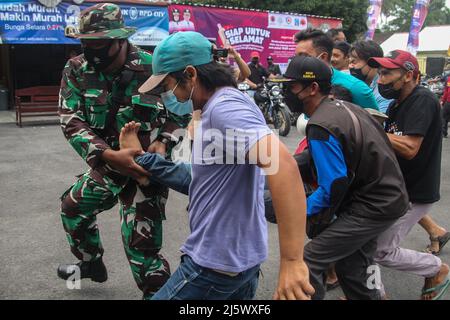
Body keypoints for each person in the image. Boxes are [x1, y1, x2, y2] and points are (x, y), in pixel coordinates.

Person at [136, 31, 314, 300]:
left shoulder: (224, 108)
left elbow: (283, 165)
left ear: (191, 74)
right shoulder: (224, 101)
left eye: (167, 85)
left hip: (213, 266)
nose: (167, 95)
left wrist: (291, 261)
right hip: (241, 261)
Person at [56, 3, 190, 299]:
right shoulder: (77, 68)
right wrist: (106, 155)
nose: (92, 52)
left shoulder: (152, 66)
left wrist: (163, 141)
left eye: (100, 45)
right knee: (72, 208)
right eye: (85, 44)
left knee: (142, 249)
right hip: (109, 163)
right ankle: (91, 263)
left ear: (120, 40)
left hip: (145, 169)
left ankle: (157, 294)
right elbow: (70, 118)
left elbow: (181, 111)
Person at [278, 55, 409, 300]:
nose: (287, 91)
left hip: (372, 207)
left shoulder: (321, 125)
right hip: (389, 199)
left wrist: (298, 209)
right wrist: (280, 167)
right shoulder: (347, 108)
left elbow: (333, 185)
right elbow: (319, 160)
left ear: (313, 88)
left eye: (291, 86)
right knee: (353, 267)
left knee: (309, 260)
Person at [368, 50, 450, 300]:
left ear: (409, 75)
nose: (381, 80)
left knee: (380, 251)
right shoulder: (396, 104)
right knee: (365, 242)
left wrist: (366, 127)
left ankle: (437, 268)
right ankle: (373, 294)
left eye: (387, 73)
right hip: (395, 189)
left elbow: (410, 147)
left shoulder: (422, 99)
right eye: (380, 73)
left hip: (414, 192)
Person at [294, 29, 379, 110]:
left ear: (323, 57)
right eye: (296, 56)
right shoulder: (301, 85)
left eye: (303, 56)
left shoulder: (356, 88)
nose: (298, 61)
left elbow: (375, 123)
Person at [349, 40, 393, 114]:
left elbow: (380, 122)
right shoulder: (349, 83)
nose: (350, 66)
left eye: (354, 62)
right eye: (349, 62)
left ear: (372, 62)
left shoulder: (384, 92)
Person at [441, 71, 450, 138]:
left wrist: (443, 101)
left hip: (448, 101)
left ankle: (444, 132)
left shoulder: (449, 79)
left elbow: (447, 91)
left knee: (444, 117)